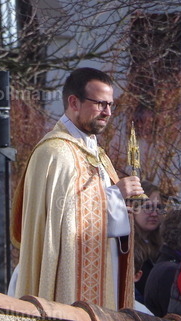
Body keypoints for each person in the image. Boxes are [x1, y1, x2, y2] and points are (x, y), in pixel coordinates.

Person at [11, 68, 142, 308]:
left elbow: (99, 215)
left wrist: (121, 210)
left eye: (111, 105)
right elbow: (62, 217)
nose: (108, 112)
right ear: (74, 102)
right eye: (101, 103)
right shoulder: (55, 152)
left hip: (107, 270)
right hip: (68, 277)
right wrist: (115, 195)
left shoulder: (99, 154)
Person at [131, 181, 163, 302]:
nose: (154, 214)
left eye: (158, 208)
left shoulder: (162, 247)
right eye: (148, 207)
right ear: (133, 209)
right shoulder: (125, 245)